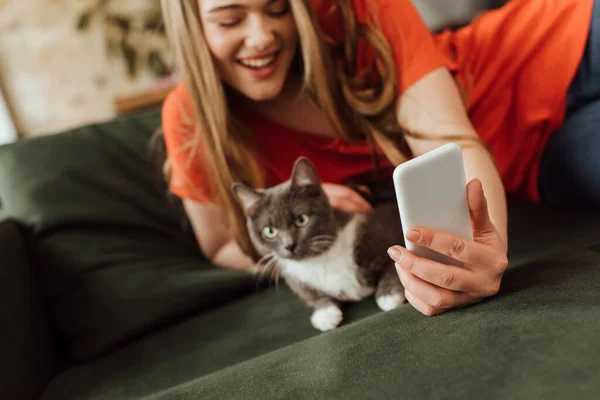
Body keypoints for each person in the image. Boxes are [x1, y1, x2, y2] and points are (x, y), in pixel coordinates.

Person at [159, 0, 597, 316]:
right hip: (546, 163)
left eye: (278, 9)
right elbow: (219, 244)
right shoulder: (190, 119)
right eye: (230, 19)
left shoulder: (359, 12)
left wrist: (483, 249)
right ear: (190, 24)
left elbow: (449, 140)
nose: (262, 36)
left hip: (552, 48)